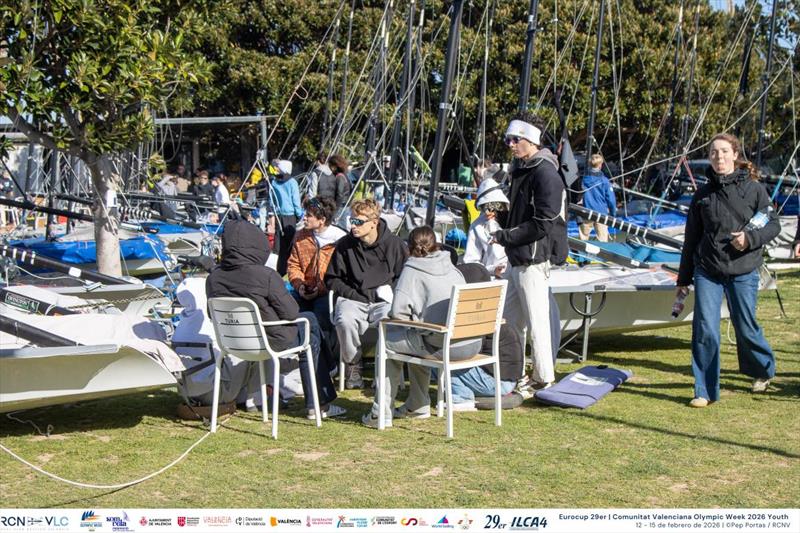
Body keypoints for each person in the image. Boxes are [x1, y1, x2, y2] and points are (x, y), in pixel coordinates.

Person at [676, 133, 780, 408]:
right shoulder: (702, 195)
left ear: (735, 154)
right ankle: (704, 390)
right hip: (708, 271)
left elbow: (773, 225)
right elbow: (691, 239)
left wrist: (750, 239)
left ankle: (762, 370)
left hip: (743, 270)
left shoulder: (754, 190)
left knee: (745, 328)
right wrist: (683, 278)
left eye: (724, 151)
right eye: (714, 152)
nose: (719, 156)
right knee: (705, 329)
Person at [205, 219, 345, 419]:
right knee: (310, 328)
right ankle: (319, 403)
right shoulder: (266, 276)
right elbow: (291, 312)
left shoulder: (214, 278)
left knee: (309, 321)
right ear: (256, 244)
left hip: (233, 341)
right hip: (269, 339)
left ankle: (328, 374)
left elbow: (212, 314)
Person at [362, 226, 483, 427]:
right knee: (416, 337)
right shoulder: (452, 267)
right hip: (472, 342)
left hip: (443, 345)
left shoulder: (412, 269)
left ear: (408, 247)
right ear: (436, 244)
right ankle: (417, 404)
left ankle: (380, 413)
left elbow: (398, 313)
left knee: (388, 340)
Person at [491, 112, 568, 389]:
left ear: (531, 140)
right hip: (517, 257)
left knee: (537, 322)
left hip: (533, 259)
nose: (510, 145)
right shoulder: (521, 170)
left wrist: (505, 236)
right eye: (508, 140)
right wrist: (498, 214)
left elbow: (544, 222)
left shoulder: (545, 173)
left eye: (515, 139)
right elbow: (518, 214)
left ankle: (543, 378)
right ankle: (514, 373)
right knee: (510, 322)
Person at [325, 198, 408, 389]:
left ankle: (384, 371)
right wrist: (352, 294)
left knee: (391, 321)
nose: (353, 226)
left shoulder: (395, 245)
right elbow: (332, 279)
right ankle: (353, 365)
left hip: (384, 300)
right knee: (344, 320)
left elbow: (405, 277)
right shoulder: (344, 245)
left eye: (358, 221)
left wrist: (389, 291)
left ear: (373, 223)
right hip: (353, 298)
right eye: (351, 220)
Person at [287, 196, 348, 367]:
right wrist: (299, 285)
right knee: (288, 309)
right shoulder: (301, 236)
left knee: (322, 316)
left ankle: (327, 364)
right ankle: (298, 360)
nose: (304, 218)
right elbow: (293, 265)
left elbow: (341, 275)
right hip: (304, 288)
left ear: (322, 220)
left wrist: (320, 289)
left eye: (309, 215)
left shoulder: (341, 240)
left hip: (329, 291)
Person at [463, 177, 509, 278]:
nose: (488, 212)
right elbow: (471, 261)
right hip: (492, 278)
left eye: (493, 208)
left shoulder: (514, 220)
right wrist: (493, 270)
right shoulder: (477, 226)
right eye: (485, 208)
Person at [268, 159, 302, 276]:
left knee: (280, 245)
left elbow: (271, 200)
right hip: (290, 216)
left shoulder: (274, 182)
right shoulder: (292, 182)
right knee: (290, 245)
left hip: (279, 216)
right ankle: (290, 270)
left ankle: (280, 270)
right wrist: (299, 214)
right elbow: (296, 200)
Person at [578, 153, 617, 242]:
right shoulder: (604, 181)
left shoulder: (583, 179)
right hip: (601, 213)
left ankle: (580, 250)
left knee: (583, 239)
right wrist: (613, 213)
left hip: (586, 211)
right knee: (602, 240)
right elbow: (611, 200)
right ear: (600, 165)